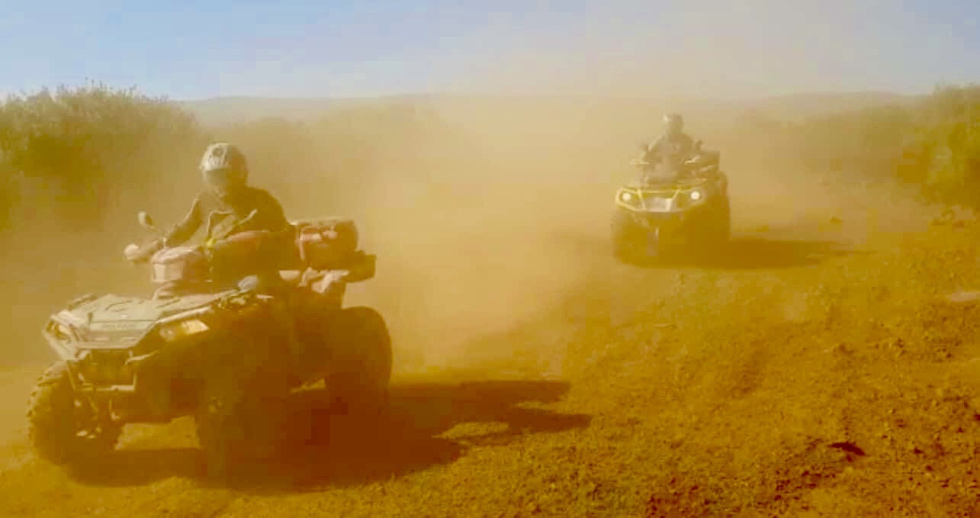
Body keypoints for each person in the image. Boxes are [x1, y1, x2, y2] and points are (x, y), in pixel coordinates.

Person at [129, 142, 293, 280]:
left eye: (225, 176)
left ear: (240, 173)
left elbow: (284, 235)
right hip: (212, 271)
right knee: (167, 291)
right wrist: (151, 249)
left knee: (256, 286)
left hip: (252, 272)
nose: (220, 183)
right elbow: (184, 229)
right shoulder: (205, 200)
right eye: (214, 177)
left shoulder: (261, 201)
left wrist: (253, 242)